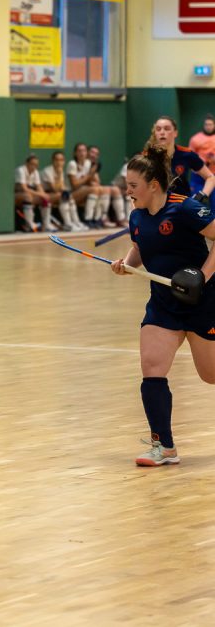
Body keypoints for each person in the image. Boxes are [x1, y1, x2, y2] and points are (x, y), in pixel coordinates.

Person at [110, 145, 215, 467]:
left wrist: (202, 276)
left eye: (133, 185)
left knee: (210, 375)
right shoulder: (137, 216)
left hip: (202, 302)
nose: (127, 191)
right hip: (163, 304)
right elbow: (141, 248)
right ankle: (164, 446)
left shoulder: (184, 209)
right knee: (152, 367)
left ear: (153, 185)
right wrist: (127, 264)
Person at [146, 115, 215, 202]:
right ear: (155, 133)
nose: (162, 132)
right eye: (158, 129)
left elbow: (210, 177)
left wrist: (202, 195)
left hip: (181, 205)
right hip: (156, 206)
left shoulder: (187, 154)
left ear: (175, 133)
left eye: (167, 129)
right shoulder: (146, 157)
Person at [42, 150, 85, 231]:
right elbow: (54, 189)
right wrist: (58, 175)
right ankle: (67, 224)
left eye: (61, 160)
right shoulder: (47, 171)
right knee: (63, 196)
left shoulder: (61, 170)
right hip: (45, 194)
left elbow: (62, 187)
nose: (59, 162)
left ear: (64, 161)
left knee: (69, 197)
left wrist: (67, 192)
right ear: (53, 161)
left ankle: (76, 222)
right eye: (57, 160)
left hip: (56, 194)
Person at [67, 142, 106, 228]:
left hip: (83, 191)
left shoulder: (88, 163)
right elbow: (74, 185)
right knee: (94, 189)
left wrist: (93, 175)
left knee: (101, 189)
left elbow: (93, 181)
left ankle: (97, 219)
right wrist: (89, 175)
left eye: (84, 151)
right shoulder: (72, 164)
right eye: (79, 151)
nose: (82, 153)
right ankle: (87, 219)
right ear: (75, 153)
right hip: (70, 194)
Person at [88, 145, 125, 227]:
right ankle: (103, 218)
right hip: (83, 189)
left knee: (115, 189)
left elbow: (97, 180)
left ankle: (120, 219)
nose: (94, 155)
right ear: (87, 152)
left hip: (94, 188)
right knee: (104, 189)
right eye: (92, 152)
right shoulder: (83, 163)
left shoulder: (95, 165)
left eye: (96, 154)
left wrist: (94, 181)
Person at [14, 154, 52, 232]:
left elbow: (39, 186)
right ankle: (29, 225)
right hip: (15, 195)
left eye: (36, 165)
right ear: (26, 163)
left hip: (29, 194)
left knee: (45, 199)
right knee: (28, 196)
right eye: (32, 164)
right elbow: (24, 188)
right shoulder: (20, 170)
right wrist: (40, 194)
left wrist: (44, 195)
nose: (34, 166)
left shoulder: (35, 172)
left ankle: (46, 224)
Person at [187, 114, 215, 195]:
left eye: (210, 124)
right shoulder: (195, 139)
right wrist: (199, 160)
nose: (208, 127)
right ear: (204, 125)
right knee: (197, 199)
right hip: (198, 174)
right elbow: (190, 156)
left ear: (214, 125)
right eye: (206, 124)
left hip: (213, 173)